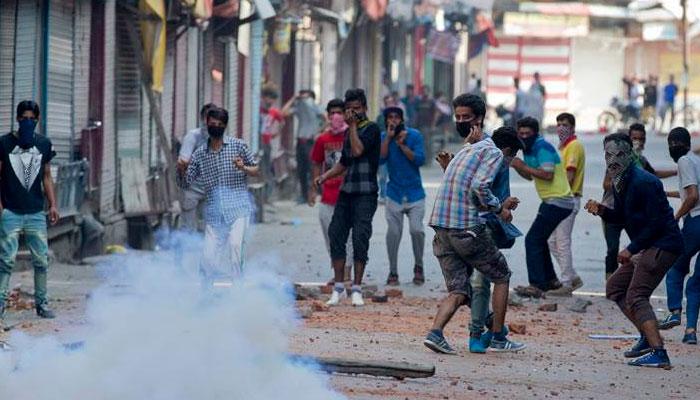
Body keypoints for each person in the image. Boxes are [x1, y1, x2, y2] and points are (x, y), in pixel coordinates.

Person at [424, 94, 525, 355]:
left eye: (464, 117)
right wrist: (500, 207)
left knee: (460, 289)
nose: (460, 121)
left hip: (440, 229)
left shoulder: (468, 148)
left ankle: (435, 333)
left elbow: (460, 186)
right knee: (499, 277)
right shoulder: (491, 152)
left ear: (477, 120)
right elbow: (479, 187)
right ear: (509, 153)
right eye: (457, 117)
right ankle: (495, 337)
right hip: (468, 227)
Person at [585, 133, 683, 369]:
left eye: (619, 154)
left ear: (630, 155)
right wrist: (602, 210)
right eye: (609, 155)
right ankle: (646, 337)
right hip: (649, 244)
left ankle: (659, 352)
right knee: (615, 288)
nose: (613, 160)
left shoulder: (644, 182)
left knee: (637, 295)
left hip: (663, 244)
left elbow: (657, 224)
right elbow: (622, 216)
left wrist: (632, 248)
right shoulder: (621, 181)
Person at [177, 107, 259, 284]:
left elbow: (256, 169)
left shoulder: (238, 146)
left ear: (225, 126)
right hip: (215, 214)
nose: (216, 127)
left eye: (220, 124)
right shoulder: (199, 154)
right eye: (213, 124)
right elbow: (186, 183)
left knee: (236, 249)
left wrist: (243, 167)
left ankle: (239, 293)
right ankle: (206, 296)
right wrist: (182, 168)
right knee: (208, 258)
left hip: (238, 210)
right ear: (207, 124)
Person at [316, 89, 381, 307]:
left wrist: (352, 126)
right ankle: (338, 286)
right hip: (347, 191)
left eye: (356, 109)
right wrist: (324, 177)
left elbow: (358, 150)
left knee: (361, 236)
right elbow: (344, 162)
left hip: (366, 192)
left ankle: (357, 288)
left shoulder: (371, 129)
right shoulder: (347, 133)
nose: (351, 113)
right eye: (348, 110)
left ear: (364, 108)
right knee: (336, 234)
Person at [0, 101, 59, 323]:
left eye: (32, 119)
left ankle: (42, 304)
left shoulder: (43, 144)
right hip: (11, 212)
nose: (28, 122)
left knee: (41, 261)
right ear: (17, 119)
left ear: (37, 120)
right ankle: (1, 304)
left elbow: (46, 176)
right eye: (24, 118)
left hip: (35, 212)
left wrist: (52, 204)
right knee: (6, 261)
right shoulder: (4, 143)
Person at [601, 124, 677, 280]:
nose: (638, 142)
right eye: (635, 138)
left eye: (641, 139)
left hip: (631, 212)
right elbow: (606, 183)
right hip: (612, 208)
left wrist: (677, 171)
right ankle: (611, 280)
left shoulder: (640, 161)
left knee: (636, 246)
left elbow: (653, 174)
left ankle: (628, 279)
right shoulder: (616, 160)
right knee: (613, 248)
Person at [511, 117, 575, 297]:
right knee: (539, 239)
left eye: (527, 134)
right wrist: (517, 167)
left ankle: (537, 284)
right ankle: (551, 281)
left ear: (535, 133)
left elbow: (547, 174)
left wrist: (521, 165)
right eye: (521, 133)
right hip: (551, 200)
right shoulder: (528, 149)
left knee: (532, 239)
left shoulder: (542, 147)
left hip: (559, 200)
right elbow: (531, 177)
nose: (523, 136)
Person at [658, 127, 700, 345]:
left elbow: (692, 196)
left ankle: (674, 312)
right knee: (696, 283)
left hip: (696, 222)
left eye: (673, 144)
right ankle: (691, 331)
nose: (673, 148)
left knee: (675, 267)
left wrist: (676, 216)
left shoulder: (684, 161)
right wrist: (667, 193)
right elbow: (688, 192)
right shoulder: (696, 160)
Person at [379, 106, 426, 286]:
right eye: (390, 118)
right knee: (393, 232)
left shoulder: (414, 136)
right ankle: (393, 271)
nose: (393, 121)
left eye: (396, 117)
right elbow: (381, 160)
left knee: (417, 230)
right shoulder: (384, 138)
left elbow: (419, 160)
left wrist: (401, 145)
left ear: (402, 119)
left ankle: (419, 266)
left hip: (415, 193)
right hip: (394, 193)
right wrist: (389, 139)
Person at [309, 99, 353, 285]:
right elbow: (317, 163)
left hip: (349, 194)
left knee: (349, 237)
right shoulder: (322, 139)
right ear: (327, 116)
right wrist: (313, 189)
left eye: (339, 112)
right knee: (330, 236)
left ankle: (347, 276)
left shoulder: (352, 136)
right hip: (327, 196)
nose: (336, 116)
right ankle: (338, 272)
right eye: (332, 112)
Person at [546, 113, 585, 296]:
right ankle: (572, 277)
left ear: (573, 127)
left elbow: (569, 175)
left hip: (567, 199)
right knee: (552, 241)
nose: (561, 127)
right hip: (559, 199)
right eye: (559, 124)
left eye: (565, 124)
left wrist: (559, 195)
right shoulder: (563, 147)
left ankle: (566, 284)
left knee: (561, 242)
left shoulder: (574, 146)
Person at [177, 103, 216, 231]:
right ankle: (187, 249)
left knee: (208, 229)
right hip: (191, 189)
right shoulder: (193, 136)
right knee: (188, 228)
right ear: (202, 119)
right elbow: (183, 161)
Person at [282, 90, 324, 204]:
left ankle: (314, 193)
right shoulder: (299, 108)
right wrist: (293, 98)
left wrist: (319, 131)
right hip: (300, 142)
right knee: (301, 169)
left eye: (306, 97)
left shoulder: (315, 107)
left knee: (312, 168)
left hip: (310, 141)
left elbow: (325, 117)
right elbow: (283, 113)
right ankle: (304, 195)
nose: (304, 99)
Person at [260, 86, 287, 199]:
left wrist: (276, 133)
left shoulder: (274, 112)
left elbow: (282, 122)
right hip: (257, 141)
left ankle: (266, 195)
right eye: (269, 98)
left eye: (273, 99)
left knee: (266, 168)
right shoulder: (258, 109)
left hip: (266, 142)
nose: (271, 101)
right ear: (264, 97)